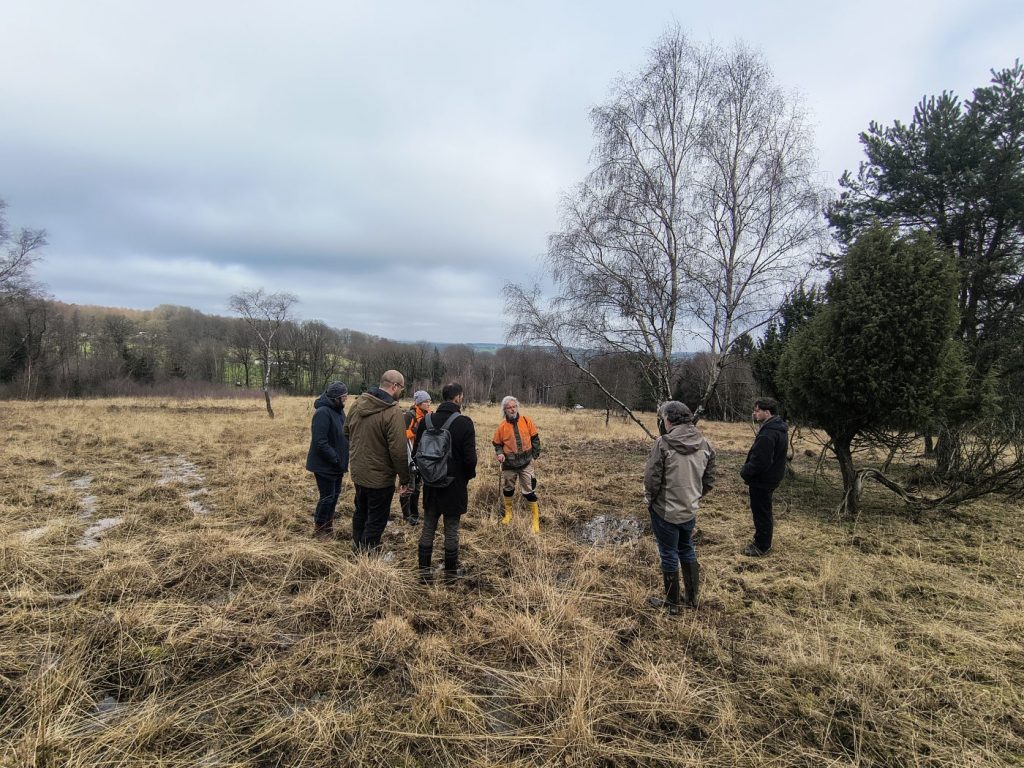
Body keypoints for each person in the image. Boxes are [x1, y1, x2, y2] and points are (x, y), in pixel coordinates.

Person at [643, 401, 716, 613]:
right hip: (689, 510)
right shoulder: (705, 443)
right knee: (687, 549)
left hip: (665, 511)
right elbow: (709, 480)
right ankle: (692, 598)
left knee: (668, 553)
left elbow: (651, 479)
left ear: (669, 419)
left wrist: (651, 500)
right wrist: (694, 497)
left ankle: (673, 605)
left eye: (663, 418)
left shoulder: (663, 443)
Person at [413, 383, 477, 583]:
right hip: (454, 486)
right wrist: (465, 477)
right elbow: (470, 460)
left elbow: (416, 454)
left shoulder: (426, 421)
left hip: (431, 484)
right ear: (458, 398)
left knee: (428, 527)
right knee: (451, 529)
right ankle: (450, 577)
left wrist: (427, 475)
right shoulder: (464, 423)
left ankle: (424, 575)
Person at [344, 370, 410, 553]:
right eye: (401, 388)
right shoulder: (392, 412)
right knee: (377, 518)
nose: (401, 392)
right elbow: (398, 451)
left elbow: (346, 431)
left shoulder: (357, 404)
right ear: (394, 386)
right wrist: (404, 479)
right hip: (380, 479)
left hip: (358, 472)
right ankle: (367, 558)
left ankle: (356, 547)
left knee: (360, 511)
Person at [740, 397, 788, 557]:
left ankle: (761, 546)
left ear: (767, 412)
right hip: (771, 477)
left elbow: (761, 461)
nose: (754, 413)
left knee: (761, 512)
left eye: (757, 410)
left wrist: (745, 471)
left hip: (763, 480)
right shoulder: (777, 428)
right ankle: (762, 541)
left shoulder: (768, 433)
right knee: (764, 511)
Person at [305, 381, 349, 539]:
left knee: (335, 495)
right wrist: (335, 457)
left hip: (337, 465)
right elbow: (320, 441)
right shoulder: (323, 412)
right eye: (344, 397)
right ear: (336, 398)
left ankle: (329, 526)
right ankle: (320, 529)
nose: (345, 400)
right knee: (327, 497)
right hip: (325, 465)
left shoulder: (338, 411)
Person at [492, 395, 541, 533]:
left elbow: (535, 439)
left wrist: (534, 457)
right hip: (509, 464)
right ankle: (509, 515)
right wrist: (499, 453)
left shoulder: (526, 421)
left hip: (526, 463)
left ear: (517, 407)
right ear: (505, 410)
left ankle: (535, 520)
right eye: (509, 407)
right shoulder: (501, 427)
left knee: (529, 491)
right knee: (508, 489)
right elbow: (497, 444)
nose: (512, 410)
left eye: (514, 407)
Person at [400, 390, 432, 525]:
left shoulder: (429, 416)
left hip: (422, 455)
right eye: (426, 402)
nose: (428, 404)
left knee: (418, 486)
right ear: (419, 403)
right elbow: (400, 433)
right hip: (409, 455)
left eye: (429, 401)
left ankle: (415, 513)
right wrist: (414, 431)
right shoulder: (409, 415)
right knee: (409, 485)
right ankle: (406, 516)